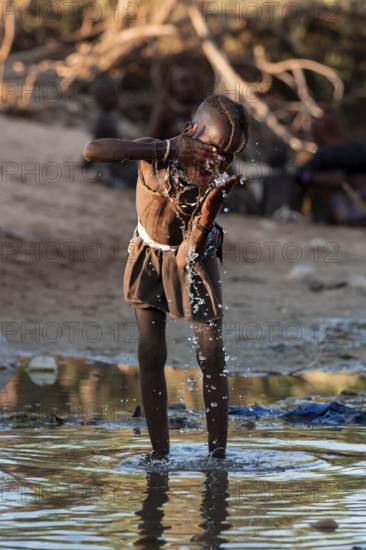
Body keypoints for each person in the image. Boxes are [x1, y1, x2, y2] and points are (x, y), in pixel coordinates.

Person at [83, 94, 250, 459]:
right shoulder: (155, 153)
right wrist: (168, 148)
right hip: (148, 251)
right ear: (191, 132)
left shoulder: (212, 182)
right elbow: (93, 151)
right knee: (151, 354)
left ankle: (218, 459)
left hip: (197, 250)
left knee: (212, 357)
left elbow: (190, 248)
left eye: (228, 155)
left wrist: (207, 217)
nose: (217, 160)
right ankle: (159, 455)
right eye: (212, 148)